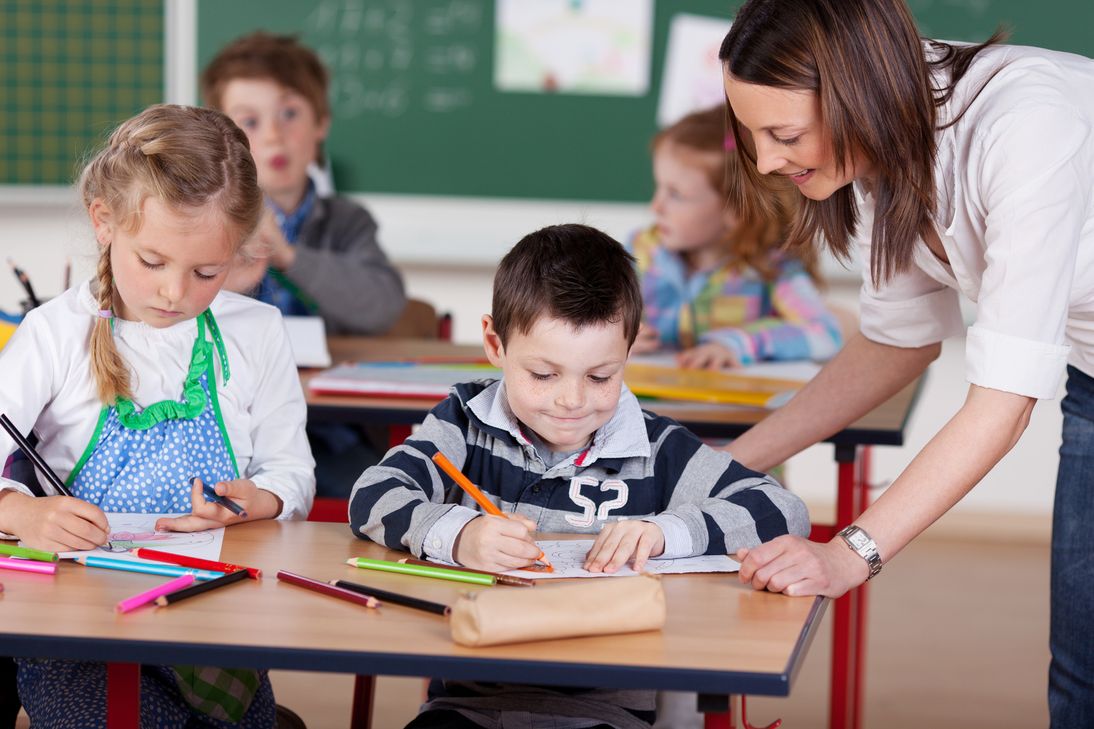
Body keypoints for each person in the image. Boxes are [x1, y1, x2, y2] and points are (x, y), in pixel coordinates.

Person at [716, 0, 1094, 724]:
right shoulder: (888, 141)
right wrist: (729, 465)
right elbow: (898, 340)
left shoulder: (1026, 127)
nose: (765, 161)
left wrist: (846, 553)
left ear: (859, 96)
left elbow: (1003, 403)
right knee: (1082, 674)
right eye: (752, 134)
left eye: (784, 134)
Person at [349, 223, 810, 728]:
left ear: (629, 351)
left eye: (599, 377)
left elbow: (782, 511)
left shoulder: (657, 449)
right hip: (467, 708)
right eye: (543, 375)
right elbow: (372, 495)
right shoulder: (464, 421)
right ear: (495, 344)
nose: (572, 400)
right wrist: (458, 535)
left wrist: (663, 533)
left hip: (603, 713)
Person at [0, 104, 315, 727]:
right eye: (153, 262)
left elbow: (293, 472)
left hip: (214, 615)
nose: (176, 293)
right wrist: (22, 510)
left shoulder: (257, 330)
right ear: (104, 222)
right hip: (80, 625)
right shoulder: (54, 333)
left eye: (207, 272)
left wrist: (259, 500)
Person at [202, 32, 406, 497]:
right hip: (227, 429)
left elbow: (382, 306)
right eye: (249, 121)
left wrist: (290, 257)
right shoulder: (201, 221)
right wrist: (227, 280)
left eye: (290, 114)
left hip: (329, 432)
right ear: (223, 136)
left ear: (321, 125)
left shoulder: (346, 223)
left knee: (378, 494)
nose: (274, 135)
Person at [630, 104, 843, 369]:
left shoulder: (772, 269)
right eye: (659, 187)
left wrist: (740, 343)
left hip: (736, 407)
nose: (656, 207)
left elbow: (826, 334)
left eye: (676, 195)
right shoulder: (638, 253)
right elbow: (581, 319)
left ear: (737, 210)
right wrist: (614, 337)